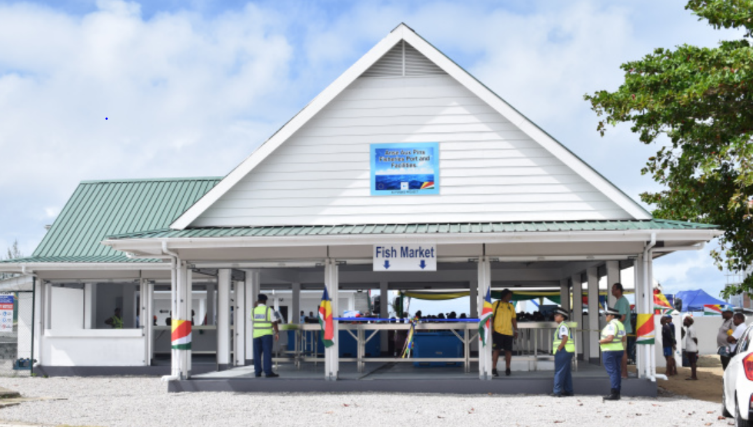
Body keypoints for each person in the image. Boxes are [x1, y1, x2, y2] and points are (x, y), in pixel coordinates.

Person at [600, 306, 626, 401]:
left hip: (609, 351)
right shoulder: (620, 324)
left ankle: (614, 393)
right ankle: (617, 393)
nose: (605, 316)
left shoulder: (611, 325)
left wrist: (600, 341)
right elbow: (623, 338)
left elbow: (610, 338)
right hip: (619, 350)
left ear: (612, 315)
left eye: (607, 315)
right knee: (617, 371)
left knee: (613, 372)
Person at [491, 289, 518, 377]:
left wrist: (516, 330)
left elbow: (513, 319)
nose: (510, 297)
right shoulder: (496, 304)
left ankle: (508, 368)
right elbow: (491, 316)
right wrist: (492, 327)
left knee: (508, 351)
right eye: (509, 295)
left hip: (509, 332)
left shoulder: (511, 306)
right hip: (497, 331)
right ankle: (494, 368)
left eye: (511, 295)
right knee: (496, 350)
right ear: (504, 295)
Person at [252, 294, 279, 378]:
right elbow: (274, 322)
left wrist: (255, 306)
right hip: (267, 335)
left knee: (257, 354)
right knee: (267, 353)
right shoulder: (269, 310)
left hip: (256, 335)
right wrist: (277, 332)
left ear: (258, 300)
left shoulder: (253, 310)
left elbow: (251, 319)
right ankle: (268, 372)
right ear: (265, 301)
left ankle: (257, 372)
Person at [550, 307, 574, 397]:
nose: (555, 317)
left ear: (563, 317)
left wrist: (559, 348)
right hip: (567, 350)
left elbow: (565, 337)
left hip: (563, 350)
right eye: (555, 315)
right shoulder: (562, 325)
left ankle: (557, 391)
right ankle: (569, 390)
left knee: (559, 371)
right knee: (566, 371)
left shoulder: (563, 326)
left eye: (557, 315)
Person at [612, 283, 632, 379]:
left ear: (618, 290)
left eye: (613, 289)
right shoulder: (620, 301)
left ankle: (624, 373)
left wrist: (612, 324)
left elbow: (623, 317)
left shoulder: (622, 301)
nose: (611, 291)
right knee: (620, 351)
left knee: (622, 351)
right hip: (619, 330)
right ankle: (622, 372)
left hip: (622, 331)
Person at [683, 315, 699, 380]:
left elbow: (695, 339)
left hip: (692, 349)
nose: (684, 321)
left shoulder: (691, 329)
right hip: (691, 349)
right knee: (692, 362)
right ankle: (693, 376)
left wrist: (695, 347)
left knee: (693, 362)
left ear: (688, 321)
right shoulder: (689, 328)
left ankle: (694, 376)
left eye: (685, 320)